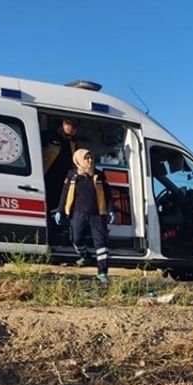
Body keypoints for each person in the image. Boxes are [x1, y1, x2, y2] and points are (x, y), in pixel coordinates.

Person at [56, 149, 115, 282]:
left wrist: (111, 209)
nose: (90, 160)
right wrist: (60, 210)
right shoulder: (73, 175)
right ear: (79, 160)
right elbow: (65, 193)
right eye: (86, 158)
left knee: (101, 243)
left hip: (98, 214)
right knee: (76, 238)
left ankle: (102, 272)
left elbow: (108, 194)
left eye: (91, 158)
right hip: (79, 212)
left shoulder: (99, 175)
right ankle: (85, 255)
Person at [42, 118, 78, 228]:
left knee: (60, 204)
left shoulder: (73, 143)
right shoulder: (49, 136)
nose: (70, 136)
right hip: (48, 176)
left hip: (64, 179)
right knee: (47, 203)